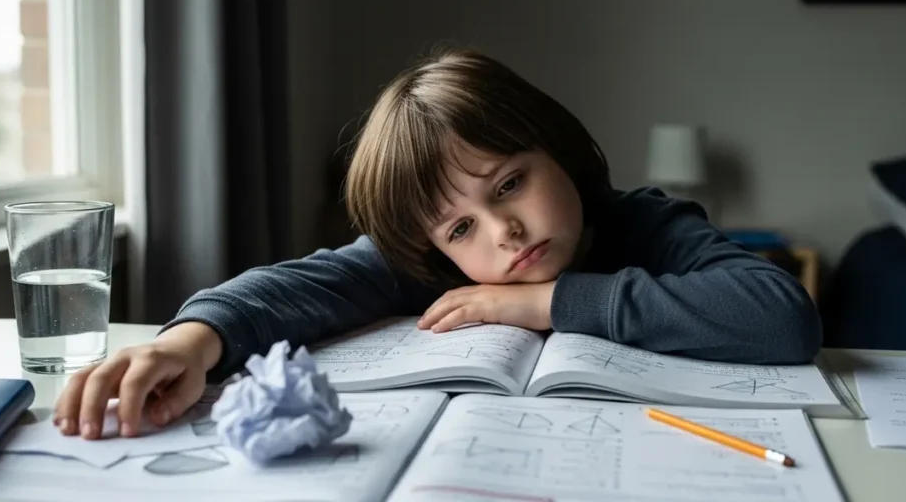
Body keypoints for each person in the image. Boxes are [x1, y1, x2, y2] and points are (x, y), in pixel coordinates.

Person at [52, 47, 821, 440]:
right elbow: (292, 286)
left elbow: (780, 316)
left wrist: (543, 302)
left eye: (511, 183)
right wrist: (190, 340)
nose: (502, 233)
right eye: (460, 228)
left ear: (560, 150)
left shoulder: (644, 223)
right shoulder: (424, 269)